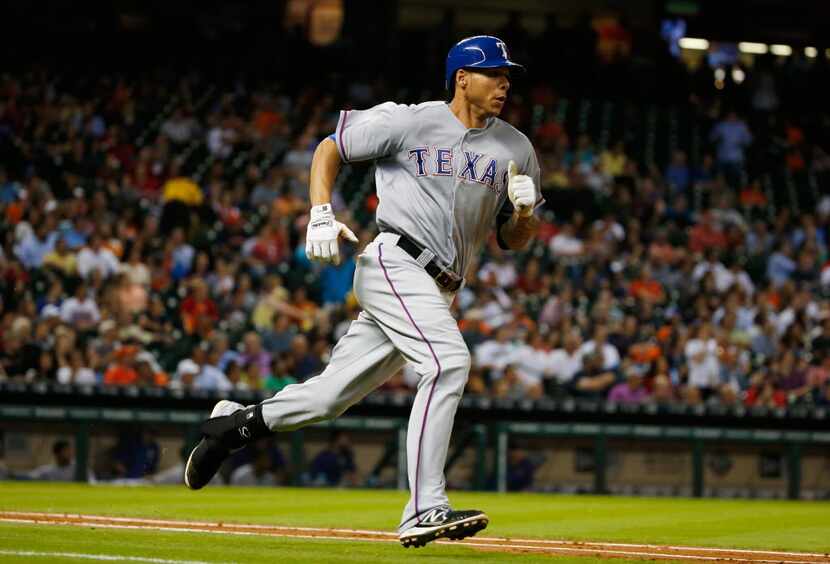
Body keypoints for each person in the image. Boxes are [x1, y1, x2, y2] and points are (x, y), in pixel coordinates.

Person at [184, 35, 540, 549]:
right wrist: (321, 211)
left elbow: (512, 240)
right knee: (448, 364)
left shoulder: (516, 148)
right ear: (462, 77)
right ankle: (423, 507)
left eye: (508, 75)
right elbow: (331, 147)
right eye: (494, 73)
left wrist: (524, 216)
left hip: (440, 290)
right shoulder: (410, 120)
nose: (505, 83)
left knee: (329, 397)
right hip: (395, 261)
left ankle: (232, 426)